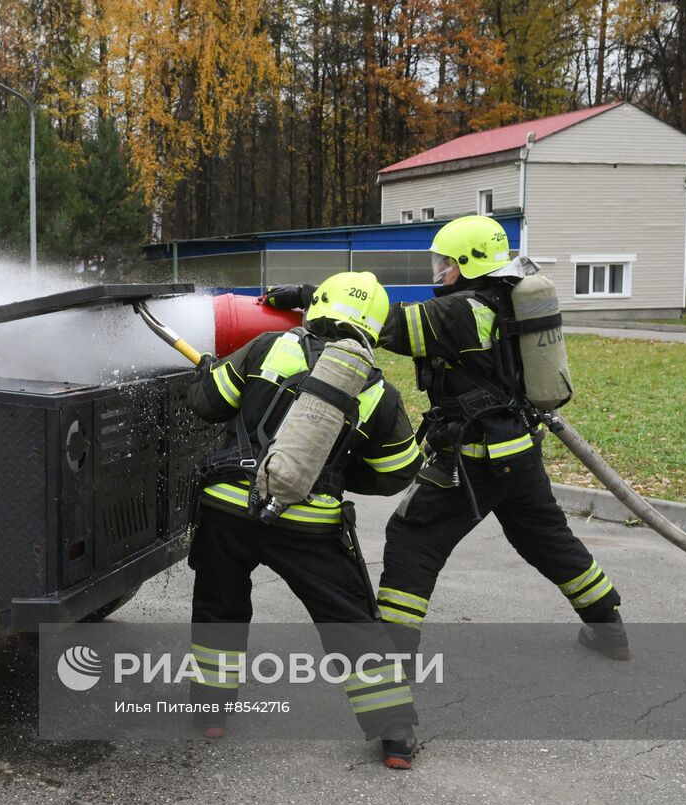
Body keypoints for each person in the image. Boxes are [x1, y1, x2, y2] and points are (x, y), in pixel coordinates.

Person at [269, 216, 627, 661]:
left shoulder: (462, 313)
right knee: (545, 537)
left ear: (469, 265)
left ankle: (394, 652)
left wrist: (308, 297)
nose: (439, 272)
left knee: (412, 538)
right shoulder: (509, 300)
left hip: (473, 456)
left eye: (446, 264)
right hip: (519, 449)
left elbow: (387, 323)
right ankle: (607, 624)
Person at [187, 271, 424, 769]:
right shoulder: (378, 391)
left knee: (219, 607)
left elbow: (207, 403)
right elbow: (395, 473)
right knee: (349, 622)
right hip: (311, 524)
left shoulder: (267, 347)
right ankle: (394, 733)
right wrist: (331, 473)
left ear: (319, 308)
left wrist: (211, 371)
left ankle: (211, 713)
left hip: (229, 511)